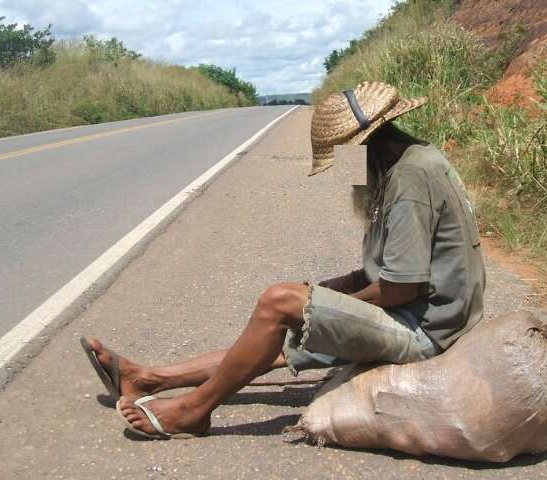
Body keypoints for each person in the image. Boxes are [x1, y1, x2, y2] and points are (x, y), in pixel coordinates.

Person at [81, 81, 486, 439]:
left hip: (425, 330)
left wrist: (320, 310)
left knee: (280, 304)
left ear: (363, 143)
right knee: (281, 331)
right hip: (418, 313)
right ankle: (148, 378)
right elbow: (390, 268)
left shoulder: (410, 180)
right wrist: (330, 294)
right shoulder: (405, 162)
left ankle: (193, 412)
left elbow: (400, 289)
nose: (344, 172)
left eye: (342, 156)